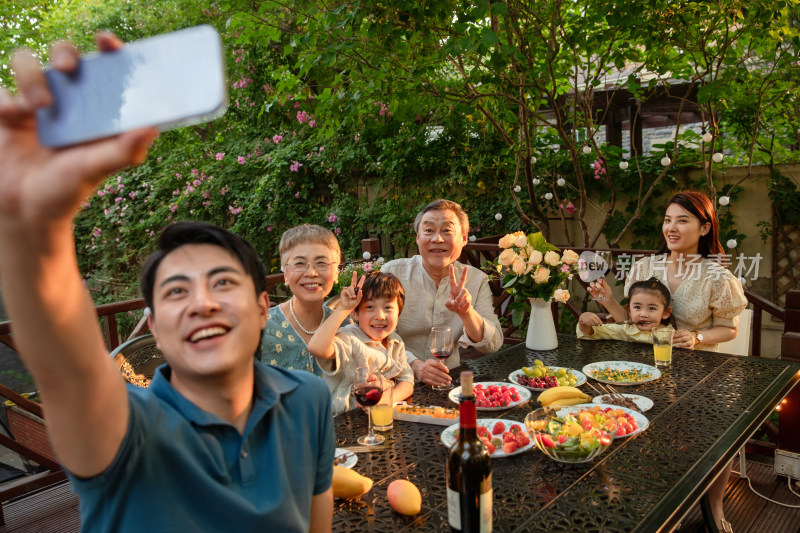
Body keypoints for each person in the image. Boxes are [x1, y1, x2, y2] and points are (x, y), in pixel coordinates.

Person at [0, 35, 334, 532]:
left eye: (222, 282)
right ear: (153, 327)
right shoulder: (125, 429)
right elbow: (66, 369)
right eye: (176, 291)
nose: (201, 302)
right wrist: (32, 228)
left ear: (265, 306)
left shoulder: (308, 398)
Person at [589, 190, 747, 532]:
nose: (671, 228)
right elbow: (633, 322)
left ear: (704, 229)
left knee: (720, 429)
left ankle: (715, 508)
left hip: (699, 371)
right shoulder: (646, 266)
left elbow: (729, 329)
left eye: (683, 220)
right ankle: (650, 504)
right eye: (667, 219)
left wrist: (697, 337)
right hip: (643, 367)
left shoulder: (716, 275)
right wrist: (608, 304)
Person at [381, 199, 503, 387]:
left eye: (447, 231)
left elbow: (493, 344)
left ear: (463, 238)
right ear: (417, 238)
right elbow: (376, 334)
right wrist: (414, 365)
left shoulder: (476, 280)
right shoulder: (393, 273)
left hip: (449, 379)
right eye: (429, 230)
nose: (437, 238)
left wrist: (467, 312)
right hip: (394, 378)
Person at [308, 271, 414, 416]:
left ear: (399, 313)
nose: (380, 316)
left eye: (388, 307)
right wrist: (343, 308)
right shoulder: (349, 339)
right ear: (356, 314)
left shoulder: (395, 341)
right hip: (341, 423)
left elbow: (407, 382)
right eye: (370, 307)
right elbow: (316, 348)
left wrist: (385, 400)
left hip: (373, 420)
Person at [258, 224, 341, 375]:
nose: (311, 273)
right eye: (300, 264)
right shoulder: (261, 329)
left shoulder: (344, 326)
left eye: (321, 263)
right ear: (285, 274)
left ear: (336, 273)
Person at [577, 277, 676, 341]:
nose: (643, 314)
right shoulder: (625, 330)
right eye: (637, 307)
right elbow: (589, 334)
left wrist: (691, 339)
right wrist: (583, 320)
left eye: (652, 308)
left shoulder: (672, 336)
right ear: (629, 310)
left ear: (665, 313)